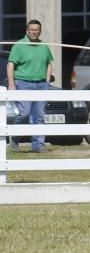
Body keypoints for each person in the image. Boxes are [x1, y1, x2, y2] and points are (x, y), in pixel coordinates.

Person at [6, 19, 54, 153]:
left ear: (40, 31)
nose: (34, 32)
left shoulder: (44, 46)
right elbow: (10, 65)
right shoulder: (19, 45)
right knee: (24, 113)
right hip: (23, 83)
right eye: (32, 29)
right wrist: (11, 84)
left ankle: (38, 145)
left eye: (37, 30)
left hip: (41, 84)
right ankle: (15, 139)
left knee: (39, 115)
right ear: (27, 30)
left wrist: (47, 79)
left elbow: (49, 62)